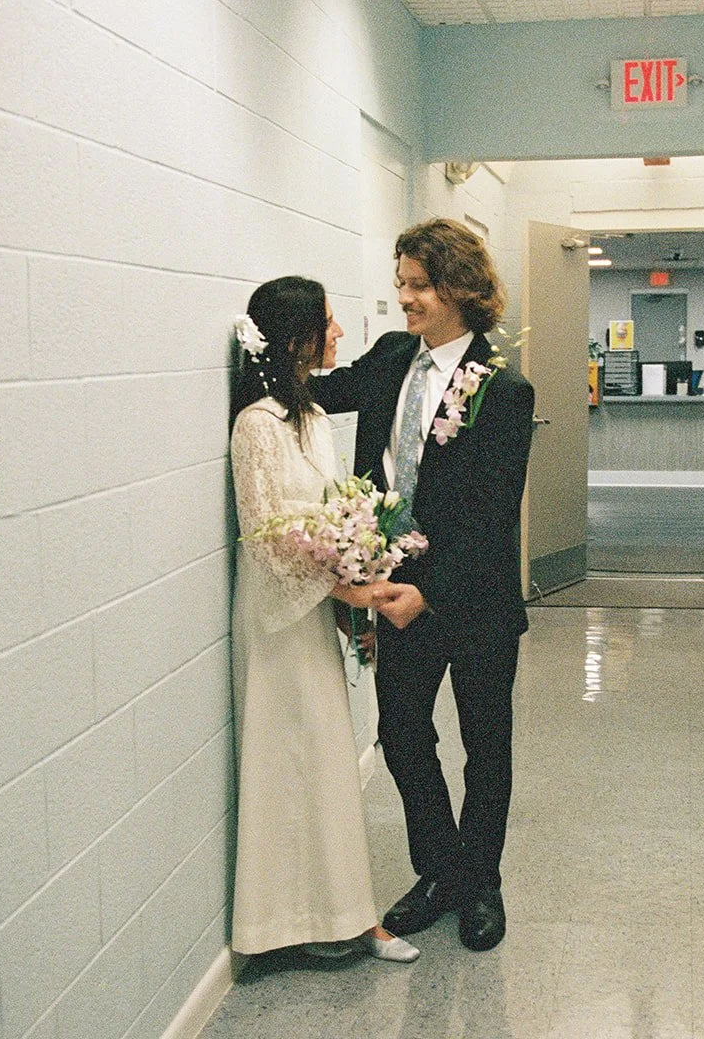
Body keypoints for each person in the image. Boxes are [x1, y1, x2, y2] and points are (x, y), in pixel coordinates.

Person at [312, 219, 535, 952]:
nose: (403, 298)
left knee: (485, 743)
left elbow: (491, 516)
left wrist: (430, 593)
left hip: (472, 600)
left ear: (461, 289)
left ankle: (483, 883)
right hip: (392, 591)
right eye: (401, 283)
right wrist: (263, 352)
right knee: (403, 735)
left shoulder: (503, 388)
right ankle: (439, 872)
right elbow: (322, 393)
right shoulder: (388, 358)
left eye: (418, 286)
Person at [229, 275, 419, 963]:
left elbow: (332, 520)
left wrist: (353, 593)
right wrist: (356, 595)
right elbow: (270, 537)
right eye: (330, 323)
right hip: (279, 620)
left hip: (319, 612)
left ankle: (345, 915)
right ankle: (277, 929)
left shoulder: (309, 416)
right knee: (287, 766)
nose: (340, 334)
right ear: (298, 338)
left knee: (329, 765)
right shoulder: (256, 427)